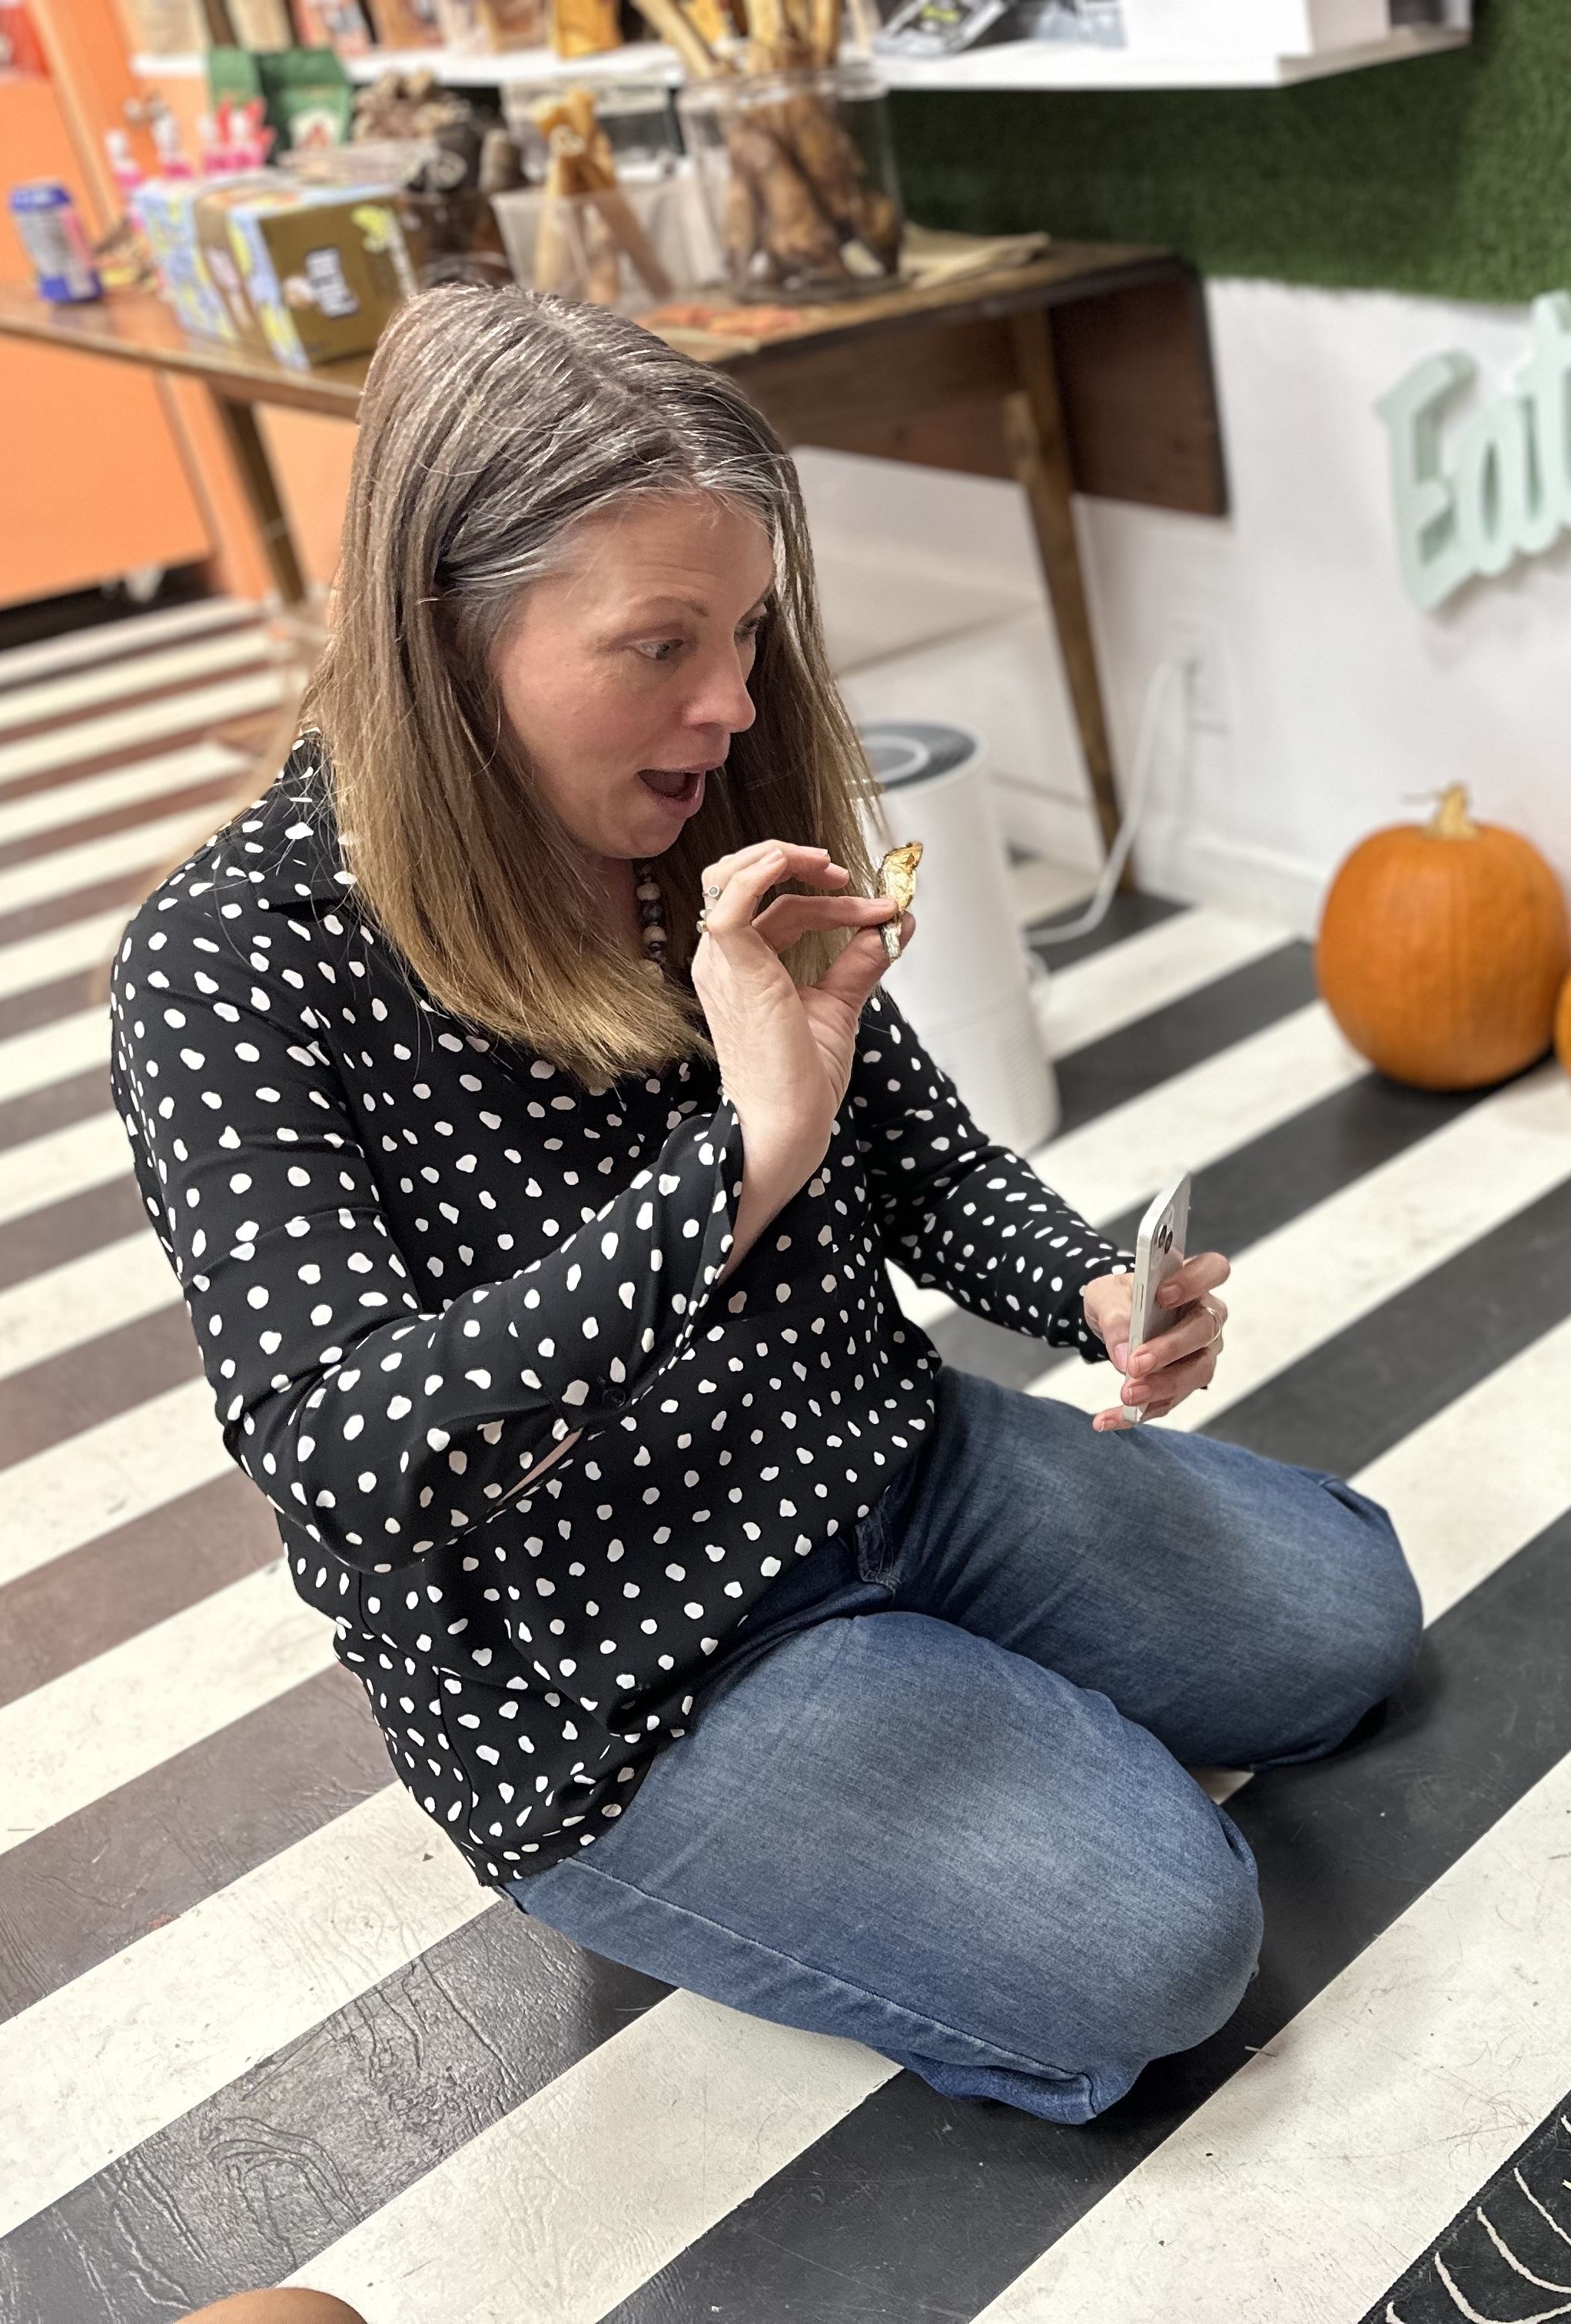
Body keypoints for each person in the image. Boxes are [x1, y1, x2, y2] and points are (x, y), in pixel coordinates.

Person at [108, 285, 1420, 2126]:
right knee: (1164, 1950)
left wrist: (1088, 1293)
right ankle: (751, 1851)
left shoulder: (705, 800)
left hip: (891, 1460)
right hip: (620, 1677)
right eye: (660, 646)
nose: (728, 704)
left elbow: (918, 1157)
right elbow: (353, 1460)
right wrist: (735, 1166)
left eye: (743, 631)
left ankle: (945, 1707)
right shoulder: (230, 967)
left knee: (1353, 1614)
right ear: (441, 633)